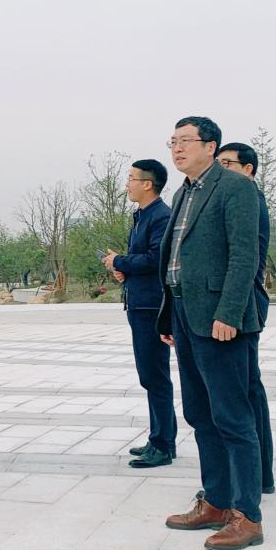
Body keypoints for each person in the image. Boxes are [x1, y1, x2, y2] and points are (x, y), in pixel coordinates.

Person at [159, 116, 265, 550]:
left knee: (233, 417)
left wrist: (230, 313)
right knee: (200, 414)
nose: (177, 148)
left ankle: (247, 516)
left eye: (186, 141)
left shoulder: (235, 187)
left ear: (210, 146)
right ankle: (217, 501)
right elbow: (177, 259)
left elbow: (244, 255)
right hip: (185, 315)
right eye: (173, 141)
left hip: (220, 320)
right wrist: (169, 317)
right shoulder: (183, 192)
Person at [101, 160, 175, 468]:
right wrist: (124, 270)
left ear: (147, 184)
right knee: (150, 375)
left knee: (155, 375)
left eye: (131, 178)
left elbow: (157, 259)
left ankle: (163, 444)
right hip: (139, 302)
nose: (127, 184)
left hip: (151, 307)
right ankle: (160, 436)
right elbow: (142, 260)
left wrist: (121, 261)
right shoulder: (143, 215)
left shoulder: (161, 216)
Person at [216, 142, 274, 493]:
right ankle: (260, 474)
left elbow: (243, 260)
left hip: (243, 305)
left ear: (248, 169)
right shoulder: (243, 197)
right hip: (244, 303)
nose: (220, 170)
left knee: (243, 393)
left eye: (227, 163)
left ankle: (254, 477)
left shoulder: (247, 198)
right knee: (249, 389)